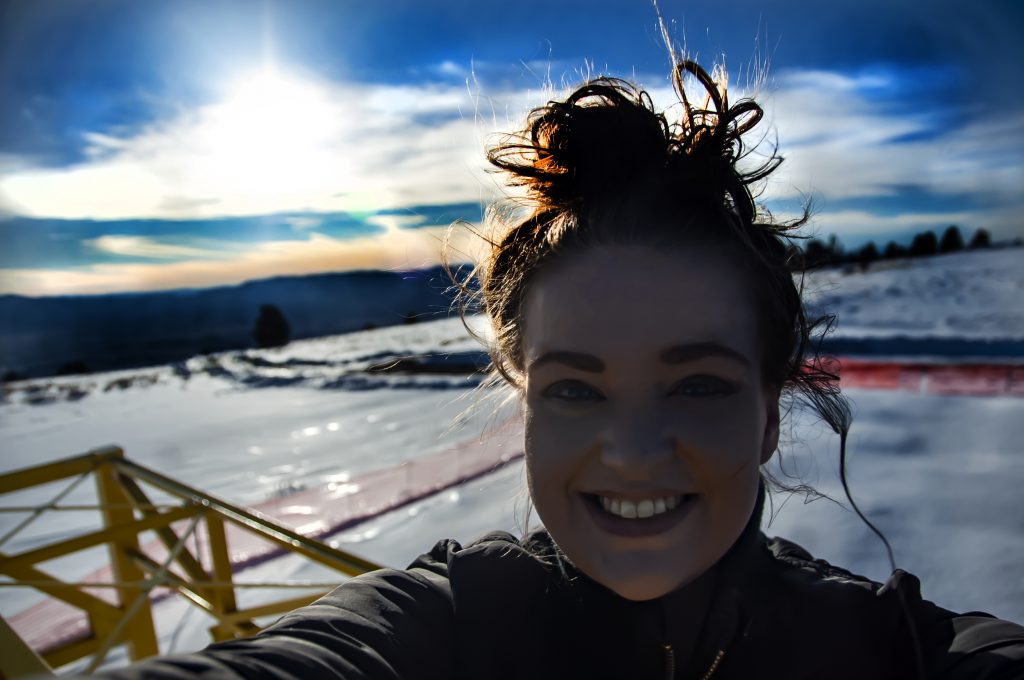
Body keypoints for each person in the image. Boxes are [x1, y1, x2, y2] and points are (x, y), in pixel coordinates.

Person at [102, 60, 1024, 679]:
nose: (631, 452)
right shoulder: (449, 626)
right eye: (575, 389)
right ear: (527, 406)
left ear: (770, 414)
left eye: (698, 384)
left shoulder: (881, 648)